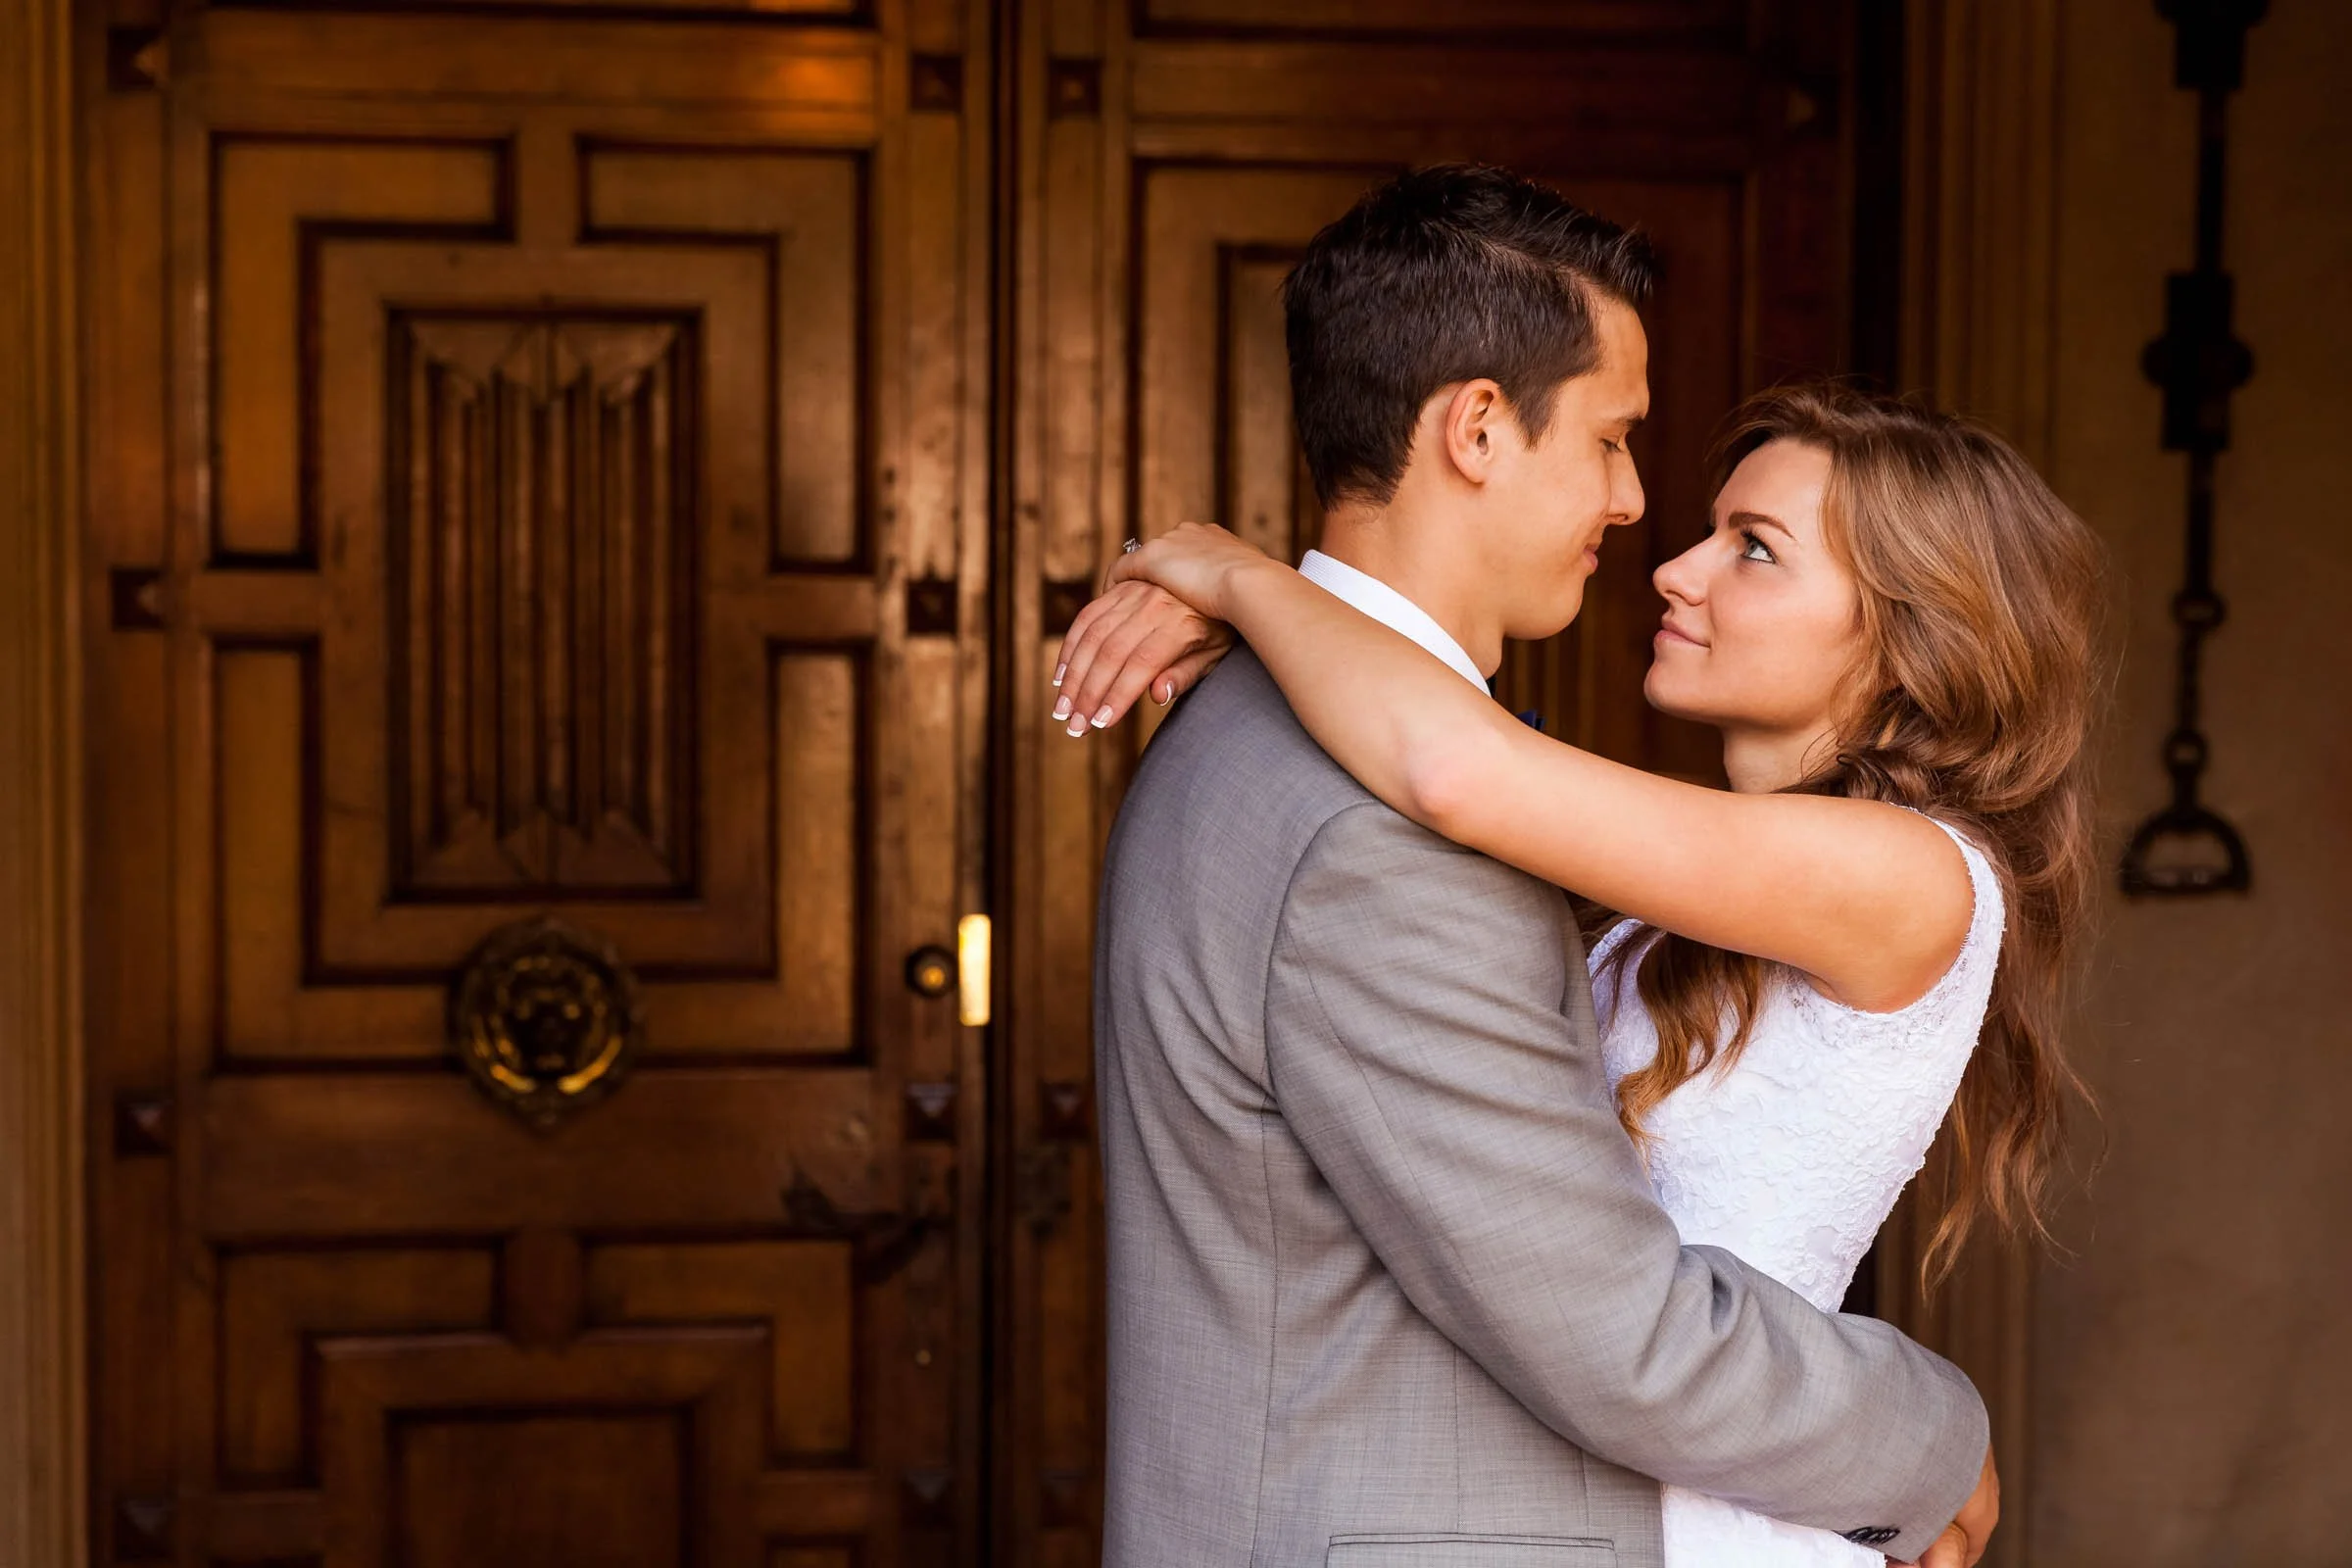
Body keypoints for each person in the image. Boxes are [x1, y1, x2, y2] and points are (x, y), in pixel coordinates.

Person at [1067, 164, 2045, 1568]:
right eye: (1613, 442)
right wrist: (1935, 1430)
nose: (1649, 525)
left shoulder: (1281, 740)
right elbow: (1611, 1329)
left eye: (1751, 548)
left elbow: (1469, 772)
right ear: (1477, 428)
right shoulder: (1380, 827)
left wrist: (1245, 584)